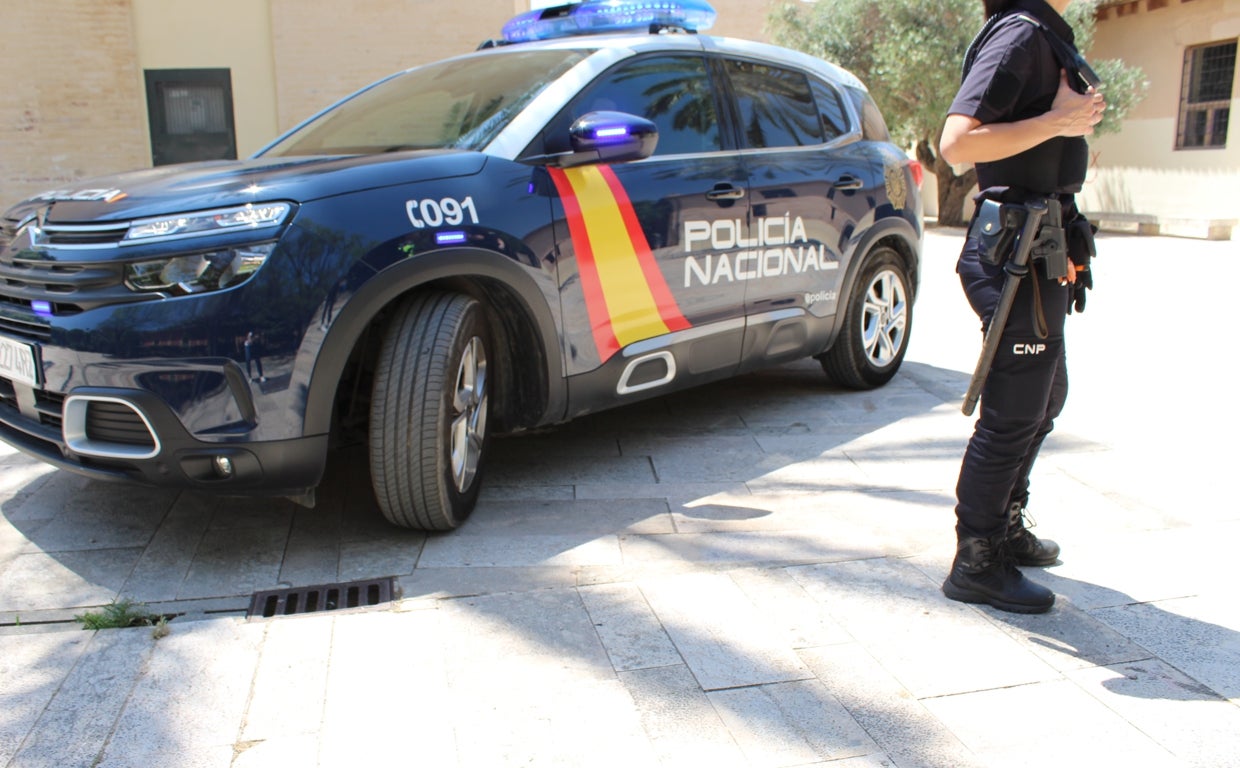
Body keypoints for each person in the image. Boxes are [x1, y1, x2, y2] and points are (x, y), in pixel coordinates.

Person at [938, 0, 1106, 613]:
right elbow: (956, 144)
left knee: (1046, 396)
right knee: (1014, 410)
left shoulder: (1043, 33)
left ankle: (1004, 524)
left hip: (1041, 247)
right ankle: (977, 560)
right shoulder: (1019, 34)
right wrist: (1061, 122)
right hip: (1012, 254)